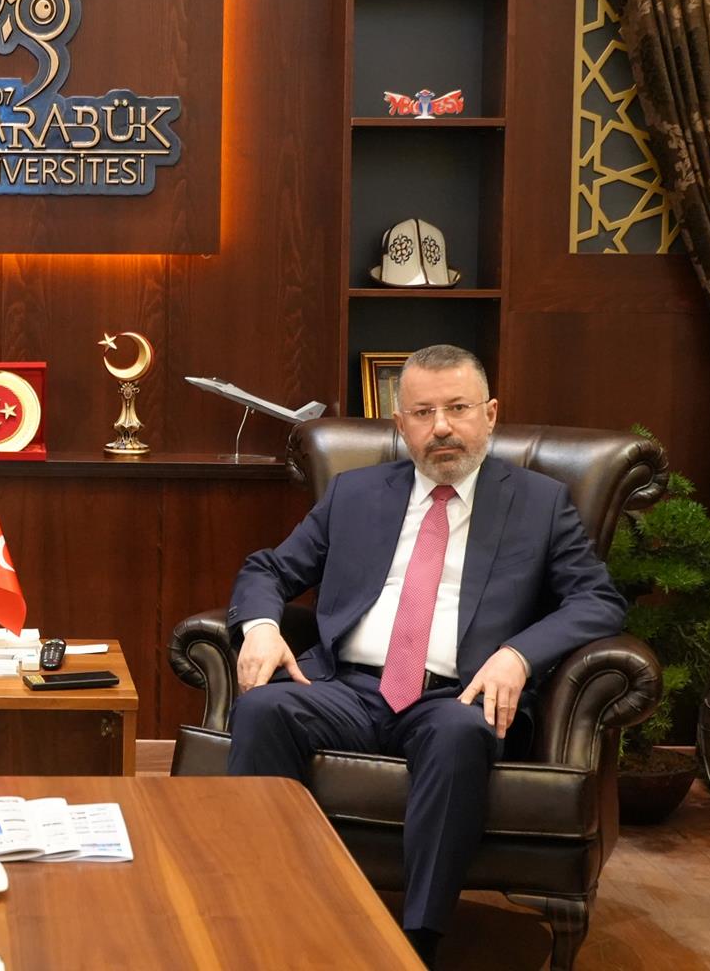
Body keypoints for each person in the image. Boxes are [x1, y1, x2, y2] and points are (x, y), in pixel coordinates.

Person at [224, 344, 625, 967]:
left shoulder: (539, 503)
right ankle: (269, 914)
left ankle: (417, 942)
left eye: (458, 408)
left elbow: (597, 600)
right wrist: (260, 628)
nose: (441, 427)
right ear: (400, 424)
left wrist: (519, 654)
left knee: (460, 734)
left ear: (490, 414)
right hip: (347, 688)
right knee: (262, 709)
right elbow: (268, 570)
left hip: (456, 696)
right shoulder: (355, 493)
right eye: (422, 412)